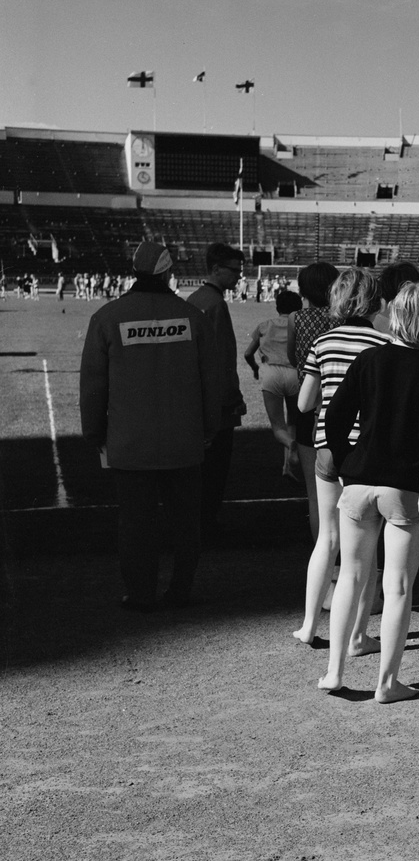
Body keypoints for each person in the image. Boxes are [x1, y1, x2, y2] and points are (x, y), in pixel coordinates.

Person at [318, 283, 419, 701]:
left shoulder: (369, 359)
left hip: (359, 480)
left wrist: (344, 465)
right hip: (406, 487)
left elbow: (335, 418)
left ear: (394, 317)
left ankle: (334, 671)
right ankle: (387, 683)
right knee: (397, 587)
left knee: (350, 578)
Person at [79, 241, 219, 610]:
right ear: (168, 273)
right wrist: (209, 427)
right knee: (186, 522)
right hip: (184, 441)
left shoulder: (108, 318)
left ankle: (140, 593)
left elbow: (93, 386)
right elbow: (212, 380)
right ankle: (180, 590)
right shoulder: (193, 318)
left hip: (130, 443)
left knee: (135, 524)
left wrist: (94, 432)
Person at [292, 267, 390, 648]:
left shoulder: (324, 341)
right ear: (375, 302)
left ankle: (307, 624)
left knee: (327, 541)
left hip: (327, 450)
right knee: (364, 548)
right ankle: (358, 634)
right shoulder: (383, 345)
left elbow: (304, 403)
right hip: (364, 452)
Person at [187, 243, 247, 539]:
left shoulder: (194, 298)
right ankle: (207, 525)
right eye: (234, 271)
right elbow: (222, 359)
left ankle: (197, 522)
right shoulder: (215, 304)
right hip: (217, 405)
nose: (239, 277)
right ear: (215, 269)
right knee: (215, 469)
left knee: (198, 470)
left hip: (195, 398)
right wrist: (232, 399)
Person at [287, 262, 340, 541]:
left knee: (316, 492)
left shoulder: (296, 318)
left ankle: (325, 557)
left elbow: (292, 358)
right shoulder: (342, 317)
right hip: (342, 405)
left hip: (308, 403)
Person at [244, 289, 303, 481]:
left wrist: (254, 368)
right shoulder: (300, 325)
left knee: (278, 427)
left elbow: (247, 354)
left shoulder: (264, 325)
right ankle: (289, 461)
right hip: (294, 373)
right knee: (293, 421)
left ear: (277, 307)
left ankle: (290, 449)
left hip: (271, 374)